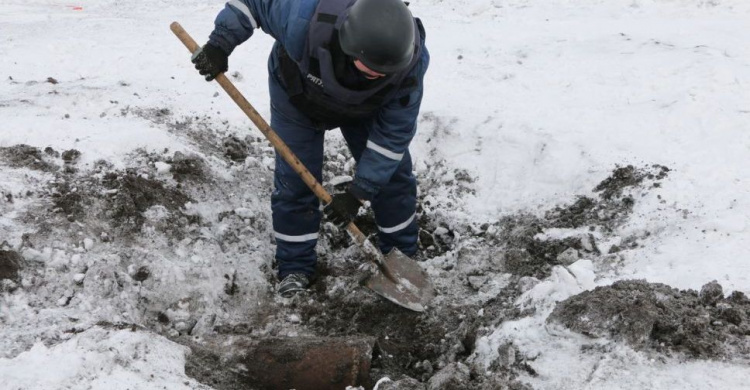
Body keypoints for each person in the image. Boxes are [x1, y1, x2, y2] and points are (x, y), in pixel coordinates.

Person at [192, 0, 430, 297]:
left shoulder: (409, 66)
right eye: (370, 69)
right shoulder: (303, 19)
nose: (377, 74)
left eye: (385, 71)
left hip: (367, 108)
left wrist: (359, 193)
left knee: (393, 177)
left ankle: (401, 255)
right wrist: (219, 44)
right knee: (296, 179)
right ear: (349, 43)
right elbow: (253, 4)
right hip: (298, 95)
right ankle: (295, 268)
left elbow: (392, 138)